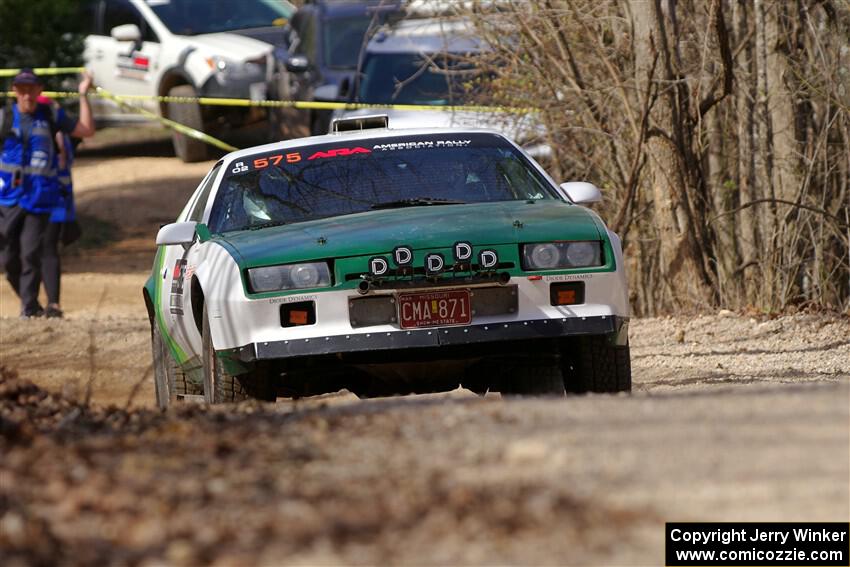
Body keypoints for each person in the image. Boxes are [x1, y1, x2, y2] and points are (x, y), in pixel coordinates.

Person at [0, 68, 95, 318]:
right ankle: (30, 302)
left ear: (39, 90)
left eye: (32, 89)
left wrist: (83, 95)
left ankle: (29, 309)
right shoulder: (4, 118)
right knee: (8, 259)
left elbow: (86, 130)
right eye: (22, 89)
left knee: (31, 253)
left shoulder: (51, 114)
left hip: (39, 199)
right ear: (15, 91)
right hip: (8, 199)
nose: (27, 95)